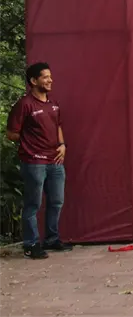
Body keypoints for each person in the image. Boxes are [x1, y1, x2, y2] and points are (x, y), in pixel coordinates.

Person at [6, 62, 72, 260]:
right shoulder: (24, 104)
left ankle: (51, 239)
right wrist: (30, 142)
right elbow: (11, 133)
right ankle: (31, 244)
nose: (50, 80)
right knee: (33, 204)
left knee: (56, 201)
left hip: (55, 160)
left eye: (50, 76)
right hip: (34, 162)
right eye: (45, 77)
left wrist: (62, 144)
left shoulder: (53, 104)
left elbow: (57, 126)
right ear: (33, 81)